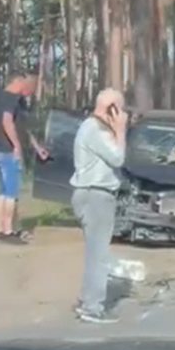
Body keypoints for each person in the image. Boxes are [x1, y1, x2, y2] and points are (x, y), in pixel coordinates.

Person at [70, 88, 128, 324]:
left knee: (95, 253)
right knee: (99, 255)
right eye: (120, 109)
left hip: (92, 194)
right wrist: (121, 131)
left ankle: (87, 300)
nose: (123, 114)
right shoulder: (94, 130)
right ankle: (93, 308)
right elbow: (117, 158)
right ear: (111, 109)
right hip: (96, 195)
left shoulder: (92, 128)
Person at [0, 73, 51, 244]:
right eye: (29, 87)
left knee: (4, 191)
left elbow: (21, 128)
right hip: (7, 151)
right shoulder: (11, 99)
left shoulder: (0, 99)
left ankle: (0, 230)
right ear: (19, 83)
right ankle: (8, 232)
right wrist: (16, 146)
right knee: (11, 192)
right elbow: (7, 122)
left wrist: (37, 148)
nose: (29, 92)